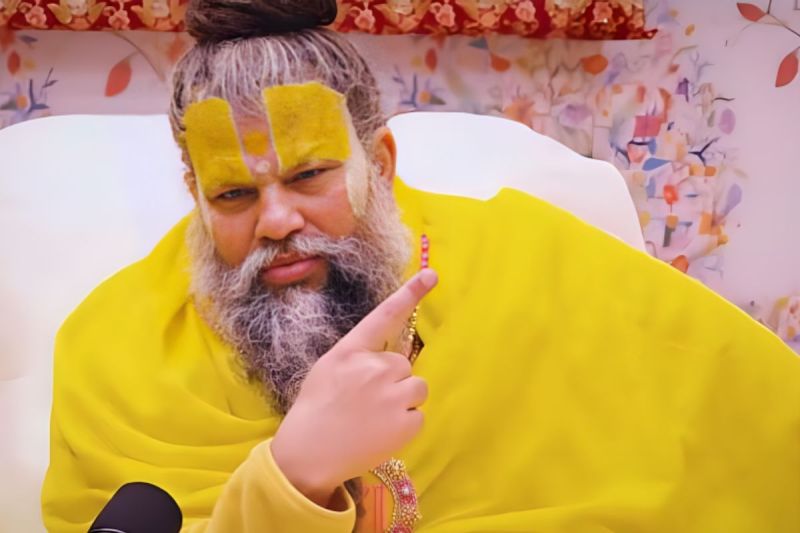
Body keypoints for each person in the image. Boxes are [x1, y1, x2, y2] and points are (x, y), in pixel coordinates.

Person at [41, 0, 800, 531]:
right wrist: (291, 477)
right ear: (196, 196)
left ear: (380, 162)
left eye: (309, 177)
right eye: (234, 194)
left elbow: (754, 419)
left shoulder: (532, 257)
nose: (276, 221)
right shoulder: (114, 348)